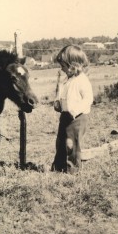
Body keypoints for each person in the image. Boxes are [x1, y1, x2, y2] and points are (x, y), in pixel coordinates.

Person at [51, 45, 93, 173]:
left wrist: (75, 111)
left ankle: (72, 169)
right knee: (60, 142)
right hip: (65, 116)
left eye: (63, 66)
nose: (61, 69)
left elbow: (88, 99)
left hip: (77, 118)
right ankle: (58, 167)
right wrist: (58, 103)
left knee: (71, 143)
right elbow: (64, 96)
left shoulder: (82, 81)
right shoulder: (68, 79)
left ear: (73, 65)